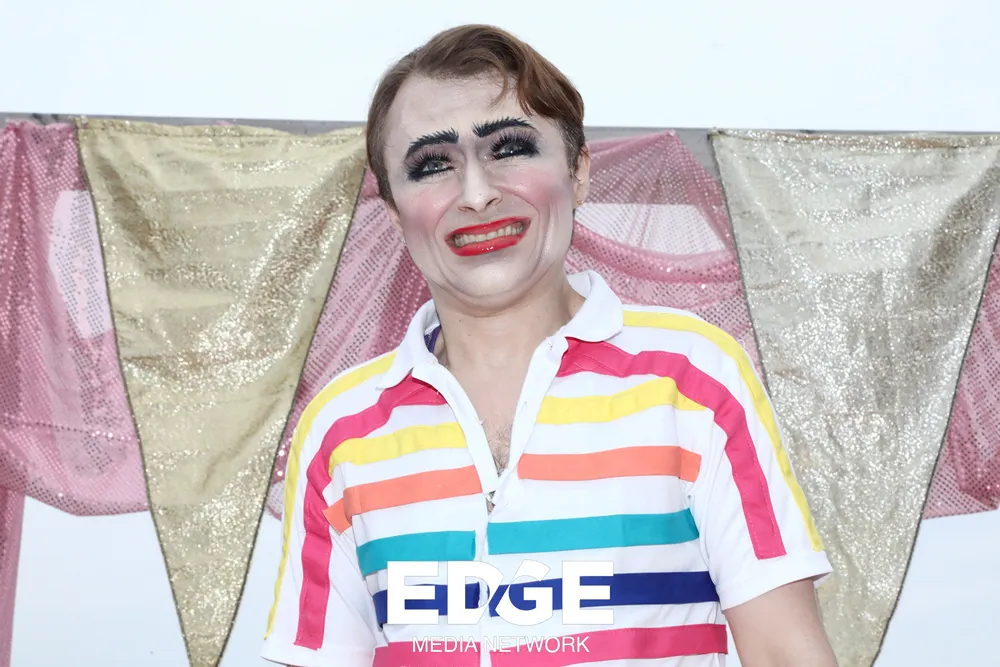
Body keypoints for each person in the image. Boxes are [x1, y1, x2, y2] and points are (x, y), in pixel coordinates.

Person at [261, 24, 838, 667]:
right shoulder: (338, 431)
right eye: (432, 165)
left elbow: (786, 653)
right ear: (395, 212)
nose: (477, 194)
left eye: (509, 148)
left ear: (579, 172)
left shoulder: (693, 380)